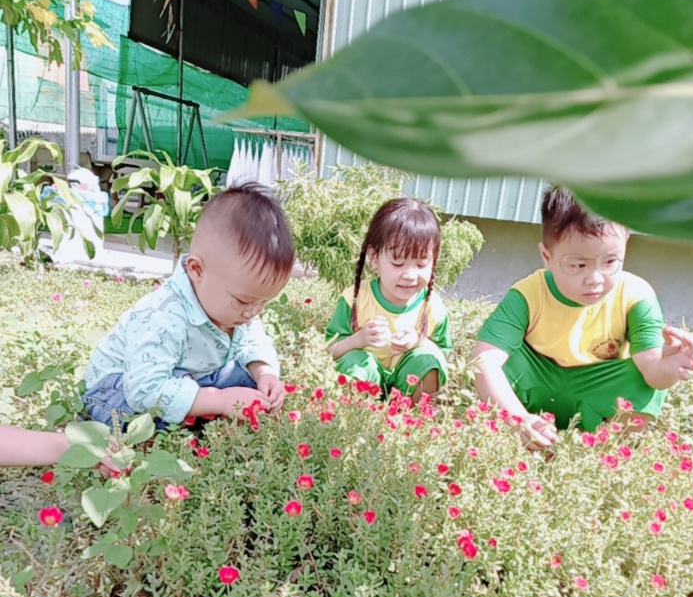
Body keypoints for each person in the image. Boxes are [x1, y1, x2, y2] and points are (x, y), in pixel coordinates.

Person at [473, 187, 693, 449]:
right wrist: (518, 419)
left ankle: (608, 450)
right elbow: (484, 360)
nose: (594, 279)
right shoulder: (528, 294)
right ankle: (522, 433)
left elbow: (652, 372)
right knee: (496, 358)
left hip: (595, 389)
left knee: (639, 379)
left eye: (610, 262)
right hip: (535, 384)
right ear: (547, 257)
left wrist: (667, 368)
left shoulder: (636, 296)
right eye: (577, 265)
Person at [82, 182, 294, 428]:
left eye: (263, 302)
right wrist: (221, 400)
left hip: (188, 377)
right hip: (116, 391)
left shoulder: (238, 309)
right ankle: (192, 418)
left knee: (248, 380)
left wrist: (264, 372)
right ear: (197, 270)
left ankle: (197, 412)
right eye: (243, 300)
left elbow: (252, 342)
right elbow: (142, 390)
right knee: (145, 419)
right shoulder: (164, 316)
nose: (252, 312)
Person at [326, 198, 451, 401]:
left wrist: (418, 341)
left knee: (428, 361)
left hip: (407, 385)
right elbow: (329, 350)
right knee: (355, 363)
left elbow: (442, 357)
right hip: (367, 378)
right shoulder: (355, 299)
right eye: (398, 263)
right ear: (374, 257)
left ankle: (412, 414)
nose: (409, 275)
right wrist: (359, 339)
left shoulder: (433, 308)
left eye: (421, 265)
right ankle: (356, 413)